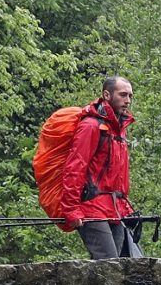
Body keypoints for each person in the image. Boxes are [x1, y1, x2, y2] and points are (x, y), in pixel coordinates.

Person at [60, 75, 142, 259]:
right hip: (92, 207)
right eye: (123, 95)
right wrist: (71, 209)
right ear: (107, 95)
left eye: (130, 96)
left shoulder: (118, 130)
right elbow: (74, 168)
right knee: (109, 265)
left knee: (117, 266)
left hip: (115, 208)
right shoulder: (91, 126)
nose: (128, 101)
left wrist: (125, 207)